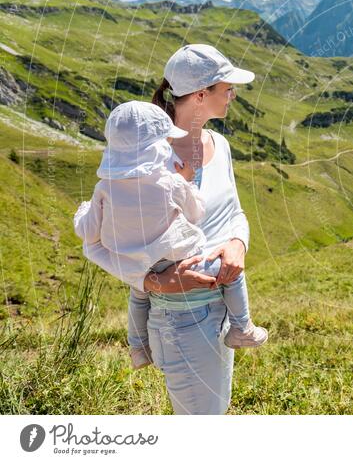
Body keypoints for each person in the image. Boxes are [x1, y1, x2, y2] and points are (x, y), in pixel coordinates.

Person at [78, 44, 264, 414]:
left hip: (222, 307)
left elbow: (234, 213)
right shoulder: (146, 157)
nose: (233, 95)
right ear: (199, 95)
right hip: (180, 318)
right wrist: (151, 282)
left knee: (214, 413)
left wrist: (238, 244)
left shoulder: (220, 145)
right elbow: (99, 241)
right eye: (227, 88)